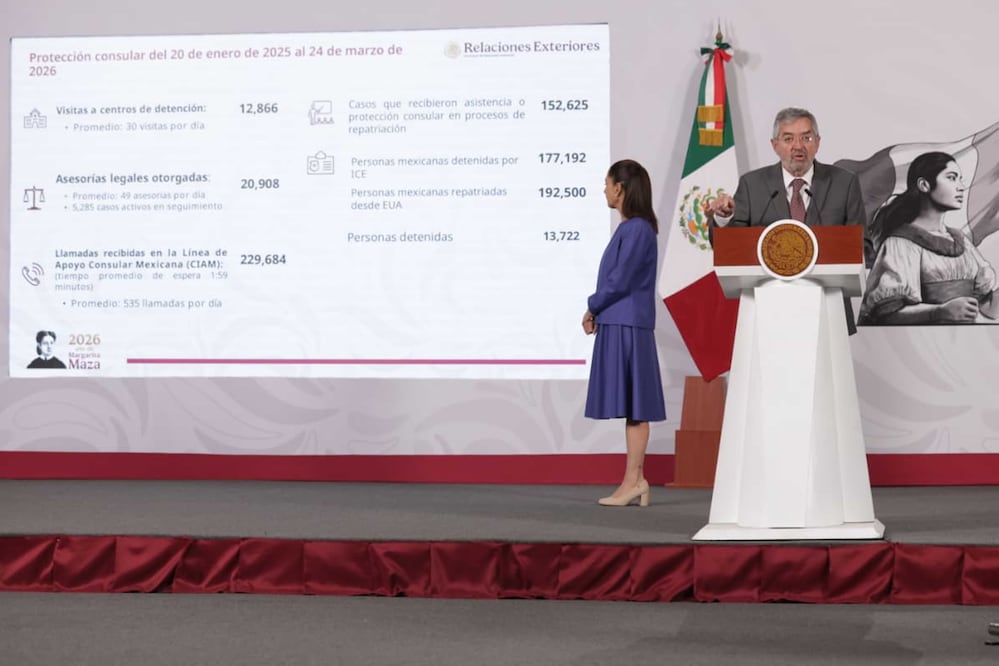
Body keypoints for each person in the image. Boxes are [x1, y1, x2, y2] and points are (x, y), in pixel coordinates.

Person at [704, 107, 868, 333]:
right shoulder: (753, 185)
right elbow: (729, 248)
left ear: (818, 142)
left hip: (828, 311)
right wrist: (724, 219)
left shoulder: (844, 183)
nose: (798, 146)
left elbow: (862, 246)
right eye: (788, 138)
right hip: (767, 311)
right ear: (775, 145)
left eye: (806, 138)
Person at [582, 159, 667, 507]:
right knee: (635, 405)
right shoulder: (635, 228)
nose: (603, 189)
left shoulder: (636, 230)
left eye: (607, 183)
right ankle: (635, 480)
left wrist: (592, 305)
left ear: (620, 187)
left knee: (637, 404)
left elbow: (620, 280)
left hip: (627, 323)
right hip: (624, 321)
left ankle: (634, 480)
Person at [859, 151, 999, 324]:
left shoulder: (961, 241)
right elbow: (885, 314)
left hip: (965, 342)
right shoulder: (900, 244)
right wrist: (939, 312)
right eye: (952, 177)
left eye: (960, 178)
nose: (961, 186)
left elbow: (987, 308)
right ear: (924, 185)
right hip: (922, 344)